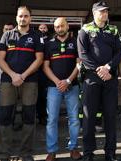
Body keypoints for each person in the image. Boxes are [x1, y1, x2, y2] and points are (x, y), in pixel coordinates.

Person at [0, 6, 44, 161]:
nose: (23, 18)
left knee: (29, 117)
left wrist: (22, 76)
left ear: (30, 18)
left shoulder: (36, 36)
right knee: (5, 117)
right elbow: (0, 59)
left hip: (29, 81)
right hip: (7, 81)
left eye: (26, 16)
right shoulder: (6, 35)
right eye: (20, 16)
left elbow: (39, 59)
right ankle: (4, 153)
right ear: (16, 17)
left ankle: (26, 153)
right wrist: (12, 75)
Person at [78, 1, 121, 161]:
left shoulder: (114, 30)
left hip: (109, 79)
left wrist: (109, 68)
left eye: (106, 11)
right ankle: (88, 153)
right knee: (89, 118)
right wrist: (100, 70)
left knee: (110, 117)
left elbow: (119, 52)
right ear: (94, 13)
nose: (105, 14)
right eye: (102, 11)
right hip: (92, 79)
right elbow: (83, 55)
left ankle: (110, 153)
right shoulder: (85, 30)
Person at [43, 17, 82, 161]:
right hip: (54, 87)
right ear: (54, 28)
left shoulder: (75, 42)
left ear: (67, 26)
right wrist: (58, 81)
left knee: (74, 119)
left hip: (72, 86)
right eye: (57, 26)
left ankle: (73, 148)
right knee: (52, 119)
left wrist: (68, 81)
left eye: (62, 26)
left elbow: (79, 64)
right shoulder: (49, 44)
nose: (60, 28)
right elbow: (45, 66)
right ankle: (52, 150)